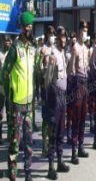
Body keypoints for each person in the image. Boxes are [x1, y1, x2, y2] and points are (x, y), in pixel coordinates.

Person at [2, 11, 35, 181]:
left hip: (29, 104)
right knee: (15, 143)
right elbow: (4, 74)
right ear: (21, 28)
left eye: (31, 26)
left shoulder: (32, 49)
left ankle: (28, 173)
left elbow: (33, 73)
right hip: (16, 104)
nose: (30, 29)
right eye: (27, 26)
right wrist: (10, 94)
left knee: (28, 143)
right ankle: (13, 175)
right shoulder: (15, 48)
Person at [45, 26, 70, 180]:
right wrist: (49, 99)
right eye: (61, 37)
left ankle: (60, 161)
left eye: (64, 37)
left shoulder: (63, 54)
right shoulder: (53, 54)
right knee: (53, 132)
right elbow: (48, 79)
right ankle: (50, 166)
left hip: (63, 96)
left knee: (61, 129)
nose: (63, 39)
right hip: (55, 96)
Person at [69, 20, 90, 164]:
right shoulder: (75, 48)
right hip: (77, 83)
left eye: (86, 30)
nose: (84, 32)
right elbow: (71, 70)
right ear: (79, 30)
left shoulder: (86, 49)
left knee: (83, 116)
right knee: (76, 117)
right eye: (83, 30)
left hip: (85, 83)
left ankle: (81, 146)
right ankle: (73, 151)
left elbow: (88, 66)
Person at [40, 26, 56, 156]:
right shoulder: (43, 49)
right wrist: (43, 62)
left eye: (53, 33)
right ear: (47, 34)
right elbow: (38, 69)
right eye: (50, 33)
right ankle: (45, 146)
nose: (52, 35)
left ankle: (51, 144)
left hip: (54, 89)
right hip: (45, 88)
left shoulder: (55, 49)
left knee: (53, 118)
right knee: (46, 118)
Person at [0, 36, 12, 144]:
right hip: (1, 86)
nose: (7, 43)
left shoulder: (12, 54)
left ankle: (9, 135)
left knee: (9, 112)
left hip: (10, 86)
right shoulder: (0, 54)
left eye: (8, 41)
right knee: (0, 112)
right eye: (5, 41)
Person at [66, 31, 77, 145]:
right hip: (69, 84)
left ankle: (73, 132)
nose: (73, 43)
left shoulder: (77, 52)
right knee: (69, 110)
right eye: (72, 41)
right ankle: (68, 133)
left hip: (77, 83)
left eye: (75, 41)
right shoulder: (67, 54)